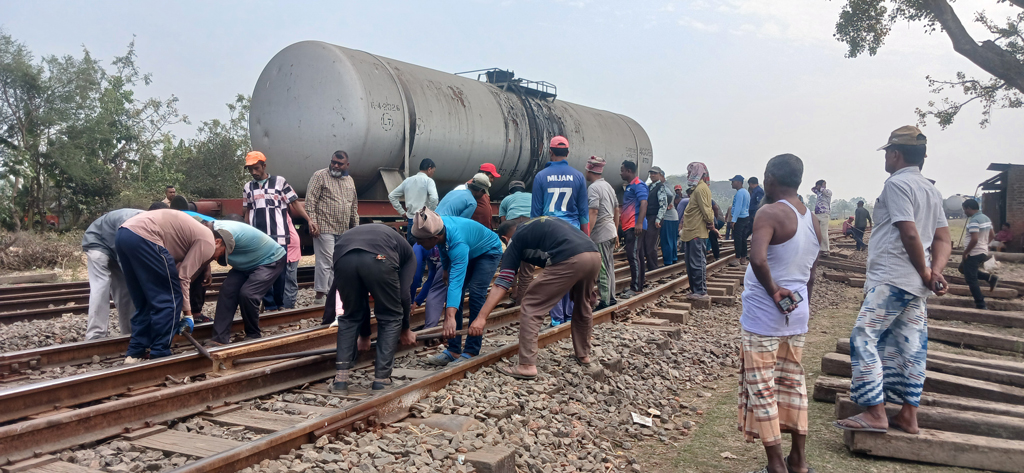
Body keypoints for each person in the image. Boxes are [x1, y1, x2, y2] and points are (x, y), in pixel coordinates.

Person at [834, 125, 951, 436]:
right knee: (911, 345)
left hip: (893, 277)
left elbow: (909, 231)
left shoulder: (897, 185)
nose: (885, 157)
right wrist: (933, 270)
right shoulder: (931, 189)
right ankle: (908, 416)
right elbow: (943, 239)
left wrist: (928, 272)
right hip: (915, 285)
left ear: (896, 154)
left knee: (863, 337)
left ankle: (875, 412)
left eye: (887, 151)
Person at [738, 153, 820, 473]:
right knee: (793, 385)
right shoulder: (811, 218)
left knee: (762, 388)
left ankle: (775, 465)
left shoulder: (769, 213)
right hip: (796, 315)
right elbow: (812, 271)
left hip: (764, 318)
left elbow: (758, 259)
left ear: (771, 178)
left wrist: (774, 292)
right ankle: (798, 461)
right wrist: (802, 305)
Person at [470, 217, 601, 379]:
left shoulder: (515, 239)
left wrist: (481, 318)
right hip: (594, 254)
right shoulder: (536, 225)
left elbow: (501, 283)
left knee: (532, 305)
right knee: (583, 305)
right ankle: (584, 355)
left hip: (570, 257)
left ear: (505, 238)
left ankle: (526, 365)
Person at [116, 209, 228, 363]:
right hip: (147, 236)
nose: (215, 259)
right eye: (220, 254)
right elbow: (183, 277)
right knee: (170, 298)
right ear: (218, 242)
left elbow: (173, 270)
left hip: (124, 234)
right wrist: (188, 315)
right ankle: (160, 352)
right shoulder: (208, 241)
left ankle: (135, 352)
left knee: (144, 301)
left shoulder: (191, 234)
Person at [330, 224, 418, 394]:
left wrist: (365, 335)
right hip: (379, 258)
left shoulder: (370, 233)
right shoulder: (409, 255)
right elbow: (403, 296)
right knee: (391, 316)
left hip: (343, 257)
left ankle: (340, 381)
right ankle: (382, 380)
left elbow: (359, 303)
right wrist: (406, 329)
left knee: (350, 316)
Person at [413, 208, 503, 366]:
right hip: (470, 248)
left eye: (421, 240)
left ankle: (471, 350)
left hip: (488, 251)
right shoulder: (439, 227)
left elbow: (456, 282)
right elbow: (442, 247)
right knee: (456, 293)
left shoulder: (457, 243)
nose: (418, 243)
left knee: (476, 293)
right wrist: (446, 268)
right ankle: (454, 350)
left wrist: (449, 318)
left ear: (434, 237)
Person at [243, 151, 317, 309]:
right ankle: (270, 306)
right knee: (262, 272)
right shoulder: (248, 187)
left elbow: (295, 202)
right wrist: (247, 233)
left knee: (279, 272)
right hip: (259, 238)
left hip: (280, 237)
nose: (253, 172)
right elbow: (248, 211)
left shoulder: (279, 182)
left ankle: (280, 303)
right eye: (250, 169)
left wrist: (309, 220)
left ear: (264, 166)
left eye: (256, 168)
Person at [531, 135, 589, 326]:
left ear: (550, 152)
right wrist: (586, 237)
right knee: (571, 273)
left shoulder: (540, 176)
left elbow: (536, 213)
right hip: (572, 232)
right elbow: (583, 212)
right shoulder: (579, 176)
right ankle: (570, 314)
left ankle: (557, 318)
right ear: (568, 153)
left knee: (554, 275)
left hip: (550, 231)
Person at [208, 220, 288, 345]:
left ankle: (253, 334)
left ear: (218, 243)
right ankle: (219, 338)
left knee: (248, 294)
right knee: (227, 290)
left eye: (219, 254)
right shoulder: (211, 234)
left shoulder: (228, 234)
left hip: (270, 259)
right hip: (246, 264)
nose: (215, 258)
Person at [306, 150, 359, 304]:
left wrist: (355, 229)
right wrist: (313, 222)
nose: (335, 166)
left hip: (343, 229)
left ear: (347, 165)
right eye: (333, 162)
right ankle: (321, 297)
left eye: (339, 164)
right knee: (326, 262)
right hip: (324, 227)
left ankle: (335, 295)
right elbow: (310, 201)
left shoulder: (350, 181)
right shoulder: (320, 176)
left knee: (340, 262)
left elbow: (353, 206)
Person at [82, 208, 143, 339]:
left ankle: (129, 332)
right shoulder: (132, 221)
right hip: (97, 241)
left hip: (115, 247)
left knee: (125, 290)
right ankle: (95, 334)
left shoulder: (149, 222)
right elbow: (126, 256)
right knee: (101, 285)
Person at [585, 157, 620, 310]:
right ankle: (611, 297)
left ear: (590, 170)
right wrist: (616, 231)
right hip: (610, 230)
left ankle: (605, 301)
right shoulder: (608, 186)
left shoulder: (593, 188)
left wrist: (586, 234)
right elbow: (616, 210)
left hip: (600, 233)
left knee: (603, 268)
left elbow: (593, 211)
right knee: (609, 266)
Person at [498, 180, 535, 304]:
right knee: (528, 262)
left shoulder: (506, 199)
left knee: (511, 260)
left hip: (512, 225)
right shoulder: (532, 196)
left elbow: (504, 222)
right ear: (523, 190)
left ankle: (514, 292)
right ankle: (522, 298)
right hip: (530, 224)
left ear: (510, 191)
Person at [682, 163, 714, 301]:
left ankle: (701, 292)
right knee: (691, 263)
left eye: (690, 172)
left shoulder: (701, 189)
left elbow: (707, 210)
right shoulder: (697, 189)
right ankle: (695, 291)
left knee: (697, 262)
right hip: (691, 231)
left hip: (697, 231)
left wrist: (710, 222)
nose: (688, 175)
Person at [959, 199, 999, 309]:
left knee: (971, 279)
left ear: (969, 208)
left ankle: (980, 304)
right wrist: (985, 244)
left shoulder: (974, 221)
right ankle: (990, 278)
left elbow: (974, 239)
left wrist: (966, 252)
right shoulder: (986, 218)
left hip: (973, 253)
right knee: (962, 268)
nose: (964, 212)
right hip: (982, 251)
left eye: (964, 210)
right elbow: (992, 234)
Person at [389, 158, 439, 245]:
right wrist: (430, 212)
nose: (432, 174)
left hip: (411, 220)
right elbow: (434, 199)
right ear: (429, 168)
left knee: (412, 250)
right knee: (424, 250)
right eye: (433, 171)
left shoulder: (408, 181)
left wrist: (402, 212)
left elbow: (392, 196)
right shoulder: (428, 181)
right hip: (424, 221)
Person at [619, 160, 648, 297]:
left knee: (633, 256)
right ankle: (639, 285)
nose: (621, 173)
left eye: (622, 170)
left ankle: (635, 288)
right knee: (638, 256)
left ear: (629, 171)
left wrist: (639, 223)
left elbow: (644, 203)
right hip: (630, 225)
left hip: (634, 225)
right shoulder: (631, 186)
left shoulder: (638, 185)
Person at [651, 167, 678, 266]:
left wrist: (664, 205)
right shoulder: (669, 185)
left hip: (667, 217)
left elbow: (670, 195)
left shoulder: (663, 186)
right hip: (674, 217)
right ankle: (673, 258)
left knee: (666, 240)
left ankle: (668, 261)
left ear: (661, 175)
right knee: (672, 240)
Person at [643, 167, 668, 270]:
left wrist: (658, 219)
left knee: (650, 243)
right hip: (648, 216)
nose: (652, 175)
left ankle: (653, 267)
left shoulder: (660, 187)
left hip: (654, 217)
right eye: (651, 173)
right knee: (646, 241)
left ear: (659, 175)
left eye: (654, 173)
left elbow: (663, 204)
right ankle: (650, 265)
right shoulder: (650, 187)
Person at [729, 175, 752, 266]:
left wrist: (733, 220)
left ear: (738, 182)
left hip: (740, 218)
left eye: (733, 181)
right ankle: (743, 258)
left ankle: (737, 258)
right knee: (743, 239)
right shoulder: (746, 192)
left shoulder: (739, 193)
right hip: (746, 217)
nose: (732, 183)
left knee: (738, 239)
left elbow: (738, 207)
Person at [282, 214, 302, 309]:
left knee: (288, 283)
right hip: (289, 248)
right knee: (288, 283)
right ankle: (287, 308)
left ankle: (287, 309)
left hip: (289, 249)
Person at [811, 180, 832, 256]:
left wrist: (822, 185)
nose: (817, 187)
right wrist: (817, 187)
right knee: (816, 230)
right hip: (817, 213)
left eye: (818, 186)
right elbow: (812, 189)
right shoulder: (819, 193)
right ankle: (818, 247)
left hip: (824, 214)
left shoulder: (828, 192)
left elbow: (823, 190)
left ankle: (825, 250)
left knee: (823, 233)